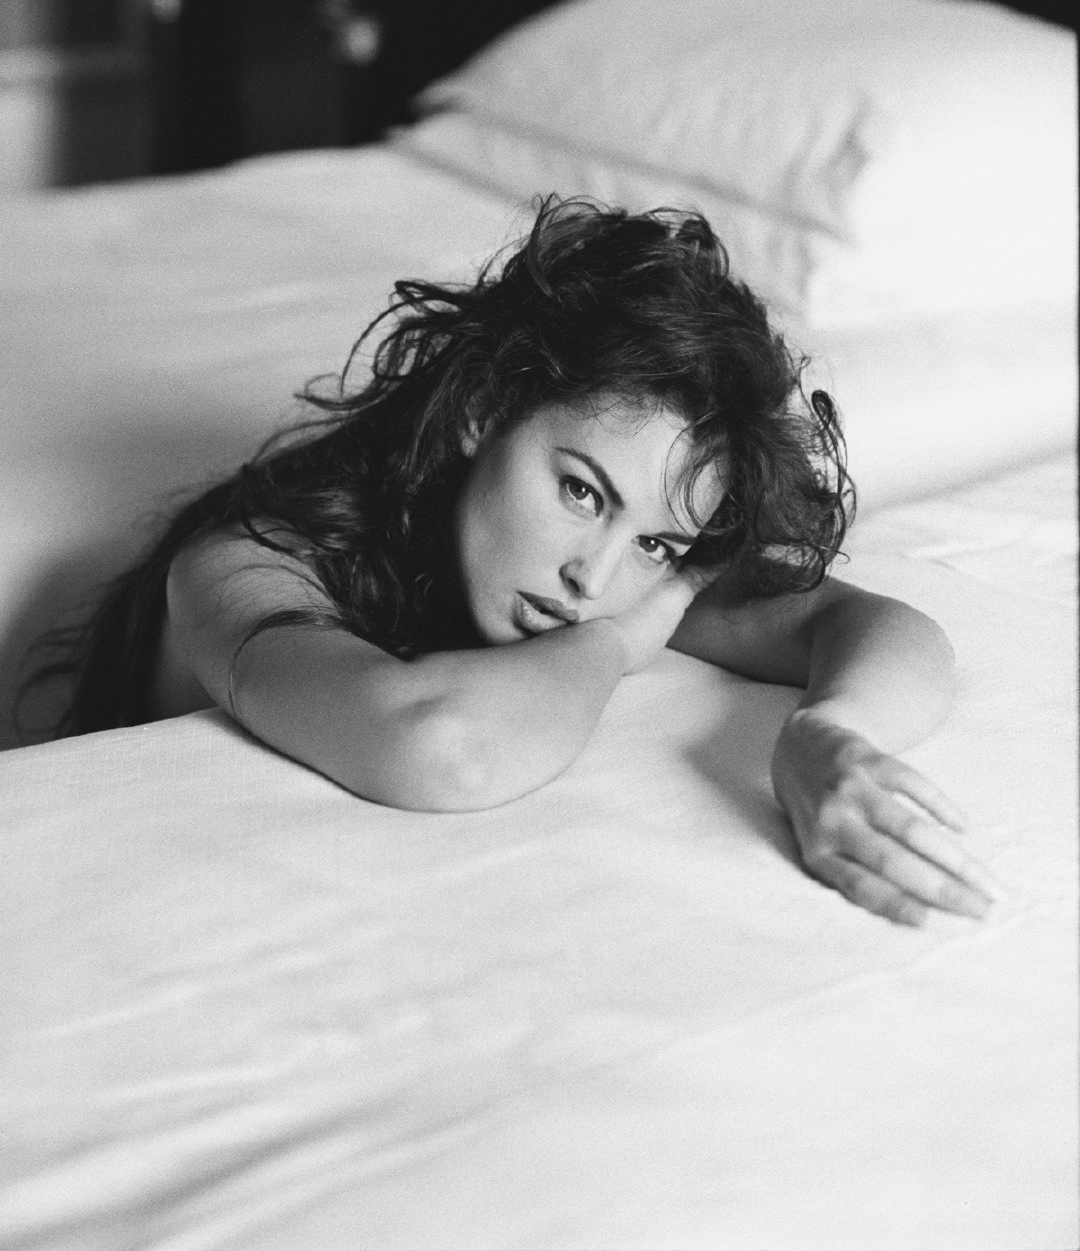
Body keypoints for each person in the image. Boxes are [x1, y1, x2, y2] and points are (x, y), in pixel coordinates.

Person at [49, 197, 1001, 927]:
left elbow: (880, 627)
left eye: (656, 542)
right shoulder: (242, 564)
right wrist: (614, 646)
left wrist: (830, 732)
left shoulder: (608, 575)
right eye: (581, 492)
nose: (595, 577)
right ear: (483, 410)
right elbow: (443, 751)